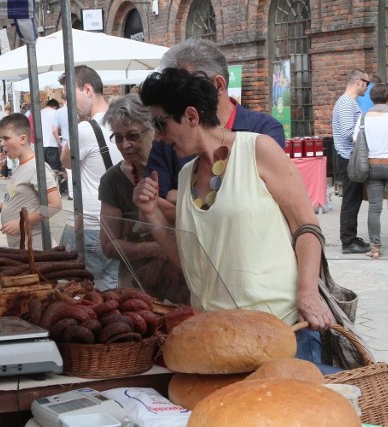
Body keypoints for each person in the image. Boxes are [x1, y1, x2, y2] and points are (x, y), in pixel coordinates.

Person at [135, 68, 335, 368]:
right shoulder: (185, 174)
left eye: (160, 124)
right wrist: (151, 214)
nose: (159, 138)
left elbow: (306, 226)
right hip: (219, 338)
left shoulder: (257, 149)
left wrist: (308, 293)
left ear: (191, 116)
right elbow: (193, 263)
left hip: (282, 330)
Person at [145, 38, 286, 208]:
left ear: (218, 85)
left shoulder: (262, 132)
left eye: (185, 86)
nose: (175, 96)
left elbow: (256, 197)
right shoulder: (169, 136)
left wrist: (181, 197)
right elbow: (155, 201)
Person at [99, 94, 189, 304]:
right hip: (136, 292)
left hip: (184, 289)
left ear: (155, 131)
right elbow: (109, 245)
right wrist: (159, 249)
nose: (125, 145)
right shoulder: (113, 180)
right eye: (118, 137)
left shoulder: (184, 167)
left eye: (133, 135)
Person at [59, 65, 123, 290]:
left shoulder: (86, 129)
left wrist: (76, 129)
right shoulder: (123, 122)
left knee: (76, 293)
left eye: (69, 95)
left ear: (88, 89)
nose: (69, 103)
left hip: (90, 224)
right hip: (119, 224)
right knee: (111, 291)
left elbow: (65, 161)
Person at [0, 113, 61, 249]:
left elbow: (55, 205)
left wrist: (23, 221)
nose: (2, 143)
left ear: (23, 139)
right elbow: (21, 196)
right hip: (20, 246)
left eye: (6, 138)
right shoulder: (21, 166)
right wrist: (3, 206)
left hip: (36, 247)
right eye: (1, 139)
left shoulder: (37, 168)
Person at [332, 69, 371, 254]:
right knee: (351, 200)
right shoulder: (347, 103)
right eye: (367, 83)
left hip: (348, 157)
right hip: (349, 158)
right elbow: (349, 133)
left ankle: (351, 237)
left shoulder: (348, 102)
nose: (367, 87)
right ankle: (348, 242)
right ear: (358, 81)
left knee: (353, 199)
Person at [353, 83, 388, 259]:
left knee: (374, 208)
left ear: (372, 98)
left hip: (372, 166)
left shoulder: (363, 118)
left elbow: (355, 140)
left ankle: (375, 248)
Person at [53, 94, 72, 199]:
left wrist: (58, 142)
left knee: (68, 168)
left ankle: (72, 193)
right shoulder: (76, 109)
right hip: (78, 138)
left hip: (65, 140)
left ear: (62, 100)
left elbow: (54, 130)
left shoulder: (58, 112)